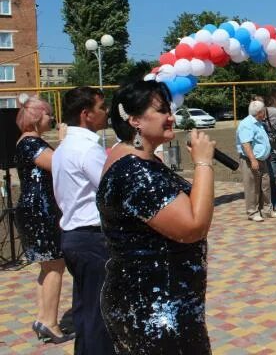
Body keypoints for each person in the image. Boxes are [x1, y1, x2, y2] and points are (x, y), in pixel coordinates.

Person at [97, 80, 215, 353]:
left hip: (158, 299)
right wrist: (203, 162)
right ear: (135, 120)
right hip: (156, 308)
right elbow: (193, 227)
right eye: (162, 110)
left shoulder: (136, 159)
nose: (171, 117)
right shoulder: (134, 172)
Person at [51, 86, 114, 354]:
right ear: (86, 114)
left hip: (75, 236)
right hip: (91, 238)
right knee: (100, 314)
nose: (106, 112)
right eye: (102, 107)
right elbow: (112, 189)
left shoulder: (65, 147)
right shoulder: (87, 149)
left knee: (86, 309)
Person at [14, 95, 73, 344]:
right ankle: (50, 322)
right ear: (37, 119)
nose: (53, 118)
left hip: (36, 209)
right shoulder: (31, 144)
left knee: (47, 266)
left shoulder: (29, 142)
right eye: (48, 114)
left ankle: (42, 318)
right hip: (41, 210)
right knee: (55, 266)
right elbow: (58, 165)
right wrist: (63, 141)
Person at [236, 100, 276, 222]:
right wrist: (253, 160)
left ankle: (267, 210)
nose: (265, 113)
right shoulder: (246, 124)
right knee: (252, 187)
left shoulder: (258, 122)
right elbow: (246, 144)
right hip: (250, 160)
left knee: (265, 185)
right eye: (263, 111)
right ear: (259, 112)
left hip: (262, 159)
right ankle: (252, 212)